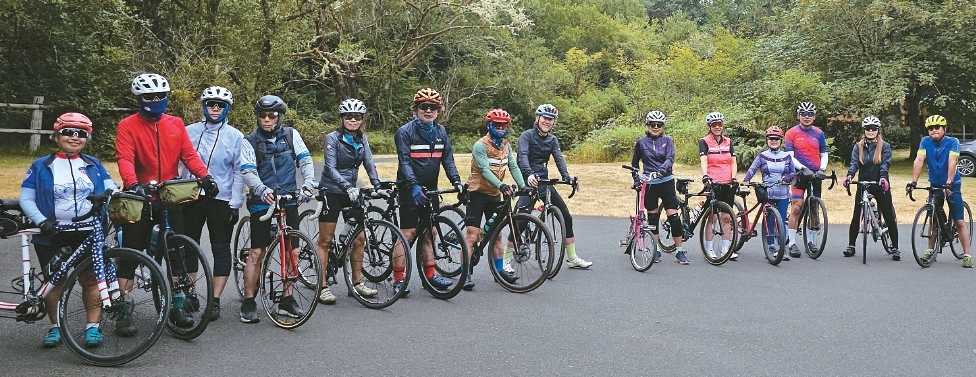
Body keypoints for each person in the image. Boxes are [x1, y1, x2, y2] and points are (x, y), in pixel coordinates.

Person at [116, 73, 216, 334]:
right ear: (139, 98)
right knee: (131, 253)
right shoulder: (127, 125)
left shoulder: (175, 123)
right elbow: (124, 157)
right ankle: (123, 310)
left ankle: (177, 305)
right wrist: (133, 183)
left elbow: (189, 155)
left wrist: (205, 175)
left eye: (161, 96)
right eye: (150, 96)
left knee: (177, 253)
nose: (156, 100)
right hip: (139, 198)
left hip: (170, 197)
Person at [20, 113, 118, 348]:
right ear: (57, 136)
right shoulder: (41, 165)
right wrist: (42, 222)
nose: (74, 137)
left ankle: (92, 327)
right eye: (68, 132)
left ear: (87, 138)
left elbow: (110, 188)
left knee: (91, 280)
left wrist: (114, 195)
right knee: (55, 281)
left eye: (81, 133)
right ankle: (56, 327)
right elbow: (26, 198)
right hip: (52, 231)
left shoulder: (93, 164)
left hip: (87, 232)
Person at [239, 95, 318, 322]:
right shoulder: (250, 141)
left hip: (289, 198)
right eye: (262, 115)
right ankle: (248, 302)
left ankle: (287, 299)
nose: (266, 119)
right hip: (262, 201)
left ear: (279, 116)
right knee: (257, 252)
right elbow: (248, 171)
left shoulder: (291, 135)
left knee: (292, 251)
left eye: (271, 115)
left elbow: (305, 160)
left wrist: (308, 185)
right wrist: (262, 190)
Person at [391, 88, 465, 295]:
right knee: (407, 233)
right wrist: (413, 185)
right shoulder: (405, 132)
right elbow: (404, 162)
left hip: (430, 189)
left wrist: (457, 182)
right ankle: (398, 279)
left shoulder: (441, 132)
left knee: (430, 232)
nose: (428, 110)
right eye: (424, 106)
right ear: (416, 109)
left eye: (433, 107)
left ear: (438, 110)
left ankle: (430, 276)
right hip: (409, 187)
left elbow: (447, 160)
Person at [180, 86, 245, 320]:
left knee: (220, 248)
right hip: (191, 196)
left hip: (221, 198)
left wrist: (235, 204)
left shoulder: (235, 136)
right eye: (210, 104)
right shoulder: (188, 131)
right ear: (203, 106)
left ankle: (215, 299)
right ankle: (190, 293)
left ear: (227, 108)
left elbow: (239, 171)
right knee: (189, 245)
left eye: (220, 105)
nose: (215, 108)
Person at [315, 98, 383, 304]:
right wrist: (346, 187)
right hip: (332, 190)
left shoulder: (362, 139)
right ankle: (322, 286)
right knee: (325, 241)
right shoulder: (332, 138)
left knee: (359, 238)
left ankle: (356, 283)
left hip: (351, 191)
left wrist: (378, 184)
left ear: (362, 119)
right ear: (342, 118)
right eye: (348, 116)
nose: (353, 120)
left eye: (357, 117)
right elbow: (330, 167)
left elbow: (369, 162)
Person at [516, 104, 592, 270]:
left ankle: (572, 258)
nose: (548, 122)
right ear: (537, 118)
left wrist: (566, 177)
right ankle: (505, 261)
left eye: (551, 119)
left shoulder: (552, 139)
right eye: (545, 118)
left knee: (566, 217)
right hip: (528, 181)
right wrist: (528, 174)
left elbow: (559, 158)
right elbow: (521, 157)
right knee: (520, 220)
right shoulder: (526, 136)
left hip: (544, 182)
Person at [462, 108, 526, 290]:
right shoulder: (480, 145)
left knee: (496, 235)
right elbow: (484, 169)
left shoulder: (506, 145)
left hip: (493, 194)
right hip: (477, 193)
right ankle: (465, 272)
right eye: (496, 124)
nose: (500, 127)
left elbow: (513, 166)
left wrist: (523, 187)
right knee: (472, 235)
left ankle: (500, 272)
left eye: (503, 124)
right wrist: (502, 185)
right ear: (489, 125)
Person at [907, 115, 972, 268]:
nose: (934, 130)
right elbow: (919, 160)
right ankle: (930, 250)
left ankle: (967, 255)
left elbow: (952, 161)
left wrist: (949, 182)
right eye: (930, 128)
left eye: (937, 127)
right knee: (933, 219)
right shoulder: (925, 141)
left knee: (959, 221)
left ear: (944, 129)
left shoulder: (952, 142)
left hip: (952, 184)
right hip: (935, 184)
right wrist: (913, 181)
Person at [631, 110, 686, 264]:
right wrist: (637, 179)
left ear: (662, 126)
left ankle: (679, 251)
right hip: (650, 183)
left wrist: (663, 169)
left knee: (674, 218)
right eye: (652, 124)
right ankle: (656, 251)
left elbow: (670, 157)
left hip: (666, 181)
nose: (656, 127)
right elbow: (635, 164)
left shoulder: (668, 141)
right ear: (647, 125)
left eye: (659, 125)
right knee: (653, 218)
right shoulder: (641, 142)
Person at [842, 116, 899, 260]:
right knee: (856, 216)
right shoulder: (858, 146)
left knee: (888, 215)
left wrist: (883, 178)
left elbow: (885, 163)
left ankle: (895, 247)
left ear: (878, 130)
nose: (871, 131)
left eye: (873, 128)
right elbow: (854, 163)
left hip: (879, 184)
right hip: (864, 184)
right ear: (864, 130)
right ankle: (851, 246)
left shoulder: (884, 146)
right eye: (868, 128)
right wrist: (850, 176)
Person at [742, 126, 796, 260]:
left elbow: (793, 173)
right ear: (767, 140)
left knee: (781, 221)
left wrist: (787, 179)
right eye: (771, 139)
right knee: (770, 221)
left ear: (781, 141)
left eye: (776, 139)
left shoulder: (787, 156)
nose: (774, 141)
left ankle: (781, 248)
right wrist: (746, 180)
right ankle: (771, 247)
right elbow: (752, 169)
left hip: (783, 194)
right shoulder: (762, 156)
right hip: (768, 194)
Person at [784, 101, 828, 258]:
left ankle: (810, 241)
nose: (807, 117)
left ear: (814, 117)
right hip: (798, 174)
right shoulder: (791, 133)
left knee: (814, 209)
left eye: (810, 114)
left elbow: (824, 153)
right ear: (798, 116)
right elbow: (789, 156)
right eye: (803, 114)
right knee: (797, 207)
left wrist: (822, 168)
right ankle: (792, 243)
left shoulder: (819, 133)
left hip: (815, 174)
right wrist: (803, 168)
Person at [699, 112, 738, 260]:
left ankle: (726, 249)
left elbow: (733, 161)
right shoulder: (704, 141)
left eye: (719, 124)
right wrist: (705, 176)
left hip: (728, 183)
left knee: (727, 217)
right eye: (714, 125)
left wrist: (734, 178)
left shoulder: (728, 141)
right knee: (713, 217)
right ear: (709, 126)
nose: (717, 127)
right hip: (713, 182)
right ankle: (709, 249)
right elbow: (704, 160)